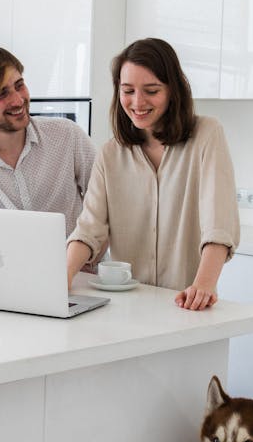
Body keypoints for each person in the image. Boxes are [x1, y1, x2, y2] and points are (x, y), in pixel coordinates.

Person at [66, 38, 240, 310]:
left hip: (188, 304)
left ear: (173, 91)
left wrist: (203, 285)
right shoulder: (110, 154)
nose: (137, 102)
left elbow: (218, 224)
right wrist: (63, 276)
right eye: (128, 90)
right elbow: (90, 229)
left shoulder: (207, 135)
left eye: (151, 90)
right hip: (129, 307)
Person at [0, 46, 96, 235]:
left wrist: (90, 252)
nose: (18, 100)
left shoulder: (67, 135)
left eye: (19, 85)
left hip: (77, 263)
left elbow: (106, 203)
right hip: (1, 264)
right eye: (1, 94)